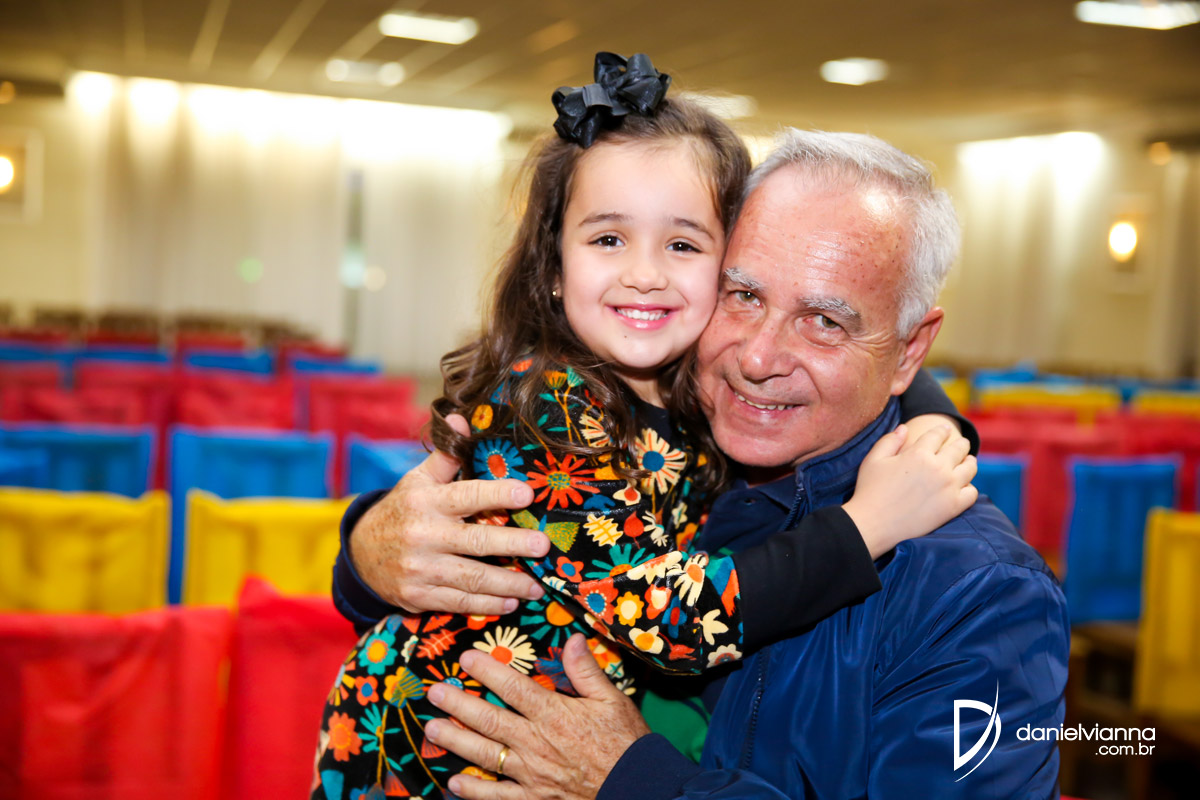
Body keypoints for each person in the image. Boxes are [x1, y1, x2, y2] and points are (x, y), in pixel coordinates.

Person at [313, 55, 981, 800]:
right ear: (553, 269)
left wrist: (935, 419)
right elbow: (668, 621)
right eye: (608, 239)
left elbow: (864, 345)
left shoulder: (700, 386)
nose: (645, 273)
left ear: (727, 270)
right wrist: (867, 525)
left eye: (683, 245)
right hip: (419, 750)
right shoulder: (550, 403)